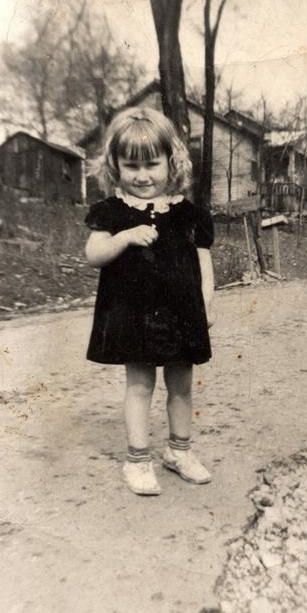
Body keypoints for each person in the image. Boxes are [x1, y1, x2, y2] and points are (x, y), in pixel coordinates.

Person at [84, 106, 215, 497]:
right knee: (140, 385)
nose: (142, 176)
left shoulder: (189, 214)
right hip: (133, 315)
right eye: (131, 166)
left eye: (152, 164)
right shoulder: (112, 212)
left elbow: (203, 262)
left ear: (171, 162)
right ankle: (137, 459)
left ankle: (179, 451)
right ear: (116, 166)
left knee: (182, 385)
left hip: (182, 313)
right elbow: (94, 254)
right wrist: (124, 237)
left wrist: (207, 303)